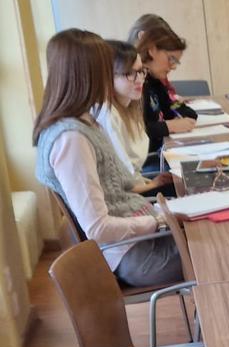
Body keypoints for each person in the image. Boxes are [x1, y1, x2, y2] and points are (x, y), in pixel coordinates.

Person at [33, 29, 181, 287]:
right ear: (87, 75)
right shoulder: (71, 139)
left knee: (217, 232)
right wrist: (157, 221)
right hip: (136, 255)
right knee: (222, 250)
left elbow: (120, 191)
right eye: (106, 70)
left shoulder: (84, 123)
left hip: (142, 241)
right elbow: (98, 228)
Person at [93, 39, 172, 196]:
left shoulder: (129, 107)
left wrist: (152, 182)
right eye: (129, 73)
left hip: (138, 186)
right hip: (128, 198)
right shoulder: (107, 115)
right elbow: (124, 184)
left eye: (141, 71)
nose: (140, 80)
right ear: (107, 76)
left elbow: (130, 174)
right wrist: (153, 184)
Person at [128, 14, 197, 173]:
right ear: (151, 49)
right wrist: (169, 126)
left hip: (158, 156)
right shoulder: (133, 85)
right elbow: (134, 132)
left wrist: (183, 112)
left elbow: (171, 106)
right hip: (144, 167)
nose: (173, 67)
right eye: (170, 59)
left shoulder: (154, 80)